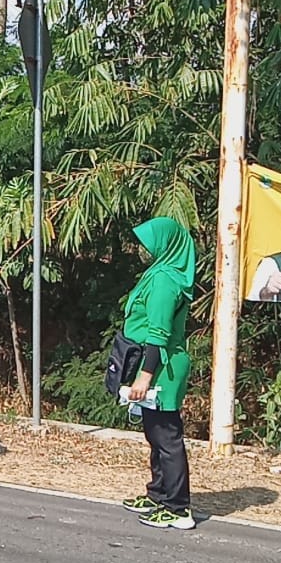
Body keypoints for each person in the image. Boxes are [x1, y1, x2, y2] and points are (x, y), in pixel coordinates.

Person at [118, 216, 196, 530]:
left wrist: (144, 376)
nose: (144, 250)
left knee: (167, 437)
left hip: (163, 367)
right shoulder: (160, 273)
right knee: (155, 433)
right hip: (157, 363)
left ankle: (178, 509)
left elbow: (158, 333)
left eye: (150, 243)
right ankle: (158, 494)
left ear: (167, 244)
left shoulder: (165, 279)